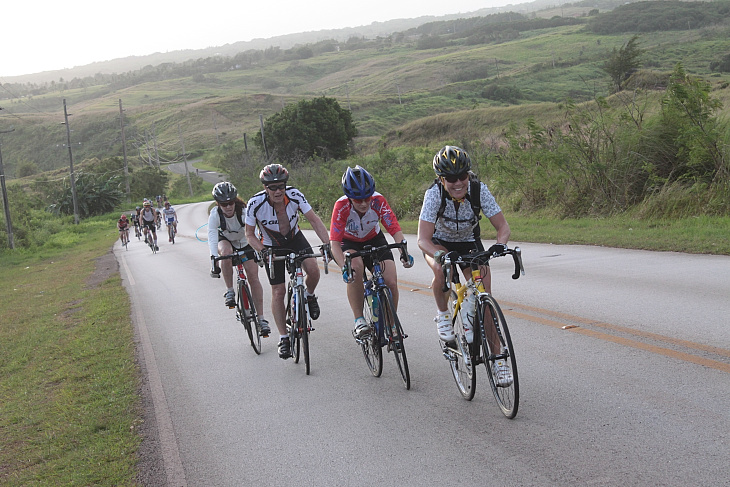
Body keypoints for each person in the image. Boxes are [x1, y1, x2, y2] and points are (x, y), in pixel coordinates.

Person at [417, 145, 513, 385]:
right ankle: (442, 315)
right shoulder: (434, 195)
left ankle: (499, 359)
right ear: (441, 179)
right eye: (451, 178)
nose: (458, 182)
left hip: (470, 242)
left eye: (462, 176)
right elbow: (422, 239)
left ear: (468, 174)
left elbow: (503, 227)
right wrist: (442, 255)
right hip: (439, 243)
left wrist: (500, 244)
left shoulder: (479, 190)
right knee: (442, 269)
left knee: (485, 300)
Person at [244, 164, 330, 359]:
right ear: (265, 188)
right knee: (278, 291)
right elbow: (249, 235)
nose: (277, 191)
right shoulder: (255, 203)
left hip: (295, 238)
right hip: (271, 245)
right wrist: (263, 251)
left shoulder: (295, 195)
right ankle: (283, 338)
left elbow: (314, 220)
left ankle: (308, 295)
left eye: (281, 186)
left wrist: (327, 244)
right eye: (272, 187)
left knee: (313, 270)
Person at [329, 165, 413, 339]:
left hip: (374, 238)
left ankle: (391, 325)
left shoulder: (378, 201)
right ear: (349, 197)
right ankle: (359, 320)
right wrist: (345, 267)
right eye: (358, 200)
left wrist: (403, 251)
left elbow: (395, 229)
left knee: (390, 281)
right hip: (349, 241)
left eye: (366, 198)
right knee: (356, 267)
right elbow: (335, 244)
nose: (364, 203)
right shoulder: (341, 206)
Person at [208, 182, 270, 336]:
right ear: (218, 204)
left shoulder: (244, 212)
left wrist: (259, 252)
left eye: (231, 203)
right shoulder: (215, 215)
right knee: (225, 252)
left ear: (235, 201)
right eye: (224, 204)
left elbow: (255, 232)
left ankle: (261, 319)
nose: (228, 207)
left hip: (245, 242)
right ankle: (229, 291)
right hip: (227, 241)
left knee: (253, 277)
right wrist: (214, 258)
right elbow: (212, 236)